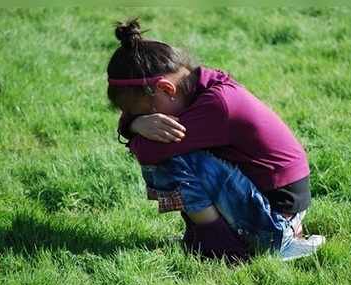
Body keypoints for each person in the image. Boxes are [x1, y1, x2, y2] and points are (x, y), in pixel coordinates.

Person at [106, 18, 325, 262]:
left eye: (145, 112)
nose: (147, 120)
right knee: (173, 149)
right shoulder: (200, 85)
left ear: (167, 89)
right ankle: (209, 237)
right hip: (273, 206)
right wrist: (135, 123)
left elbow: (149, 152)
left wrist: (132, 129)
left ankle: (226, 249)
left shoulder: (217, 106)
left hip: (274, 220)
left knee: (172, 158)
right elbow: (141, 136)